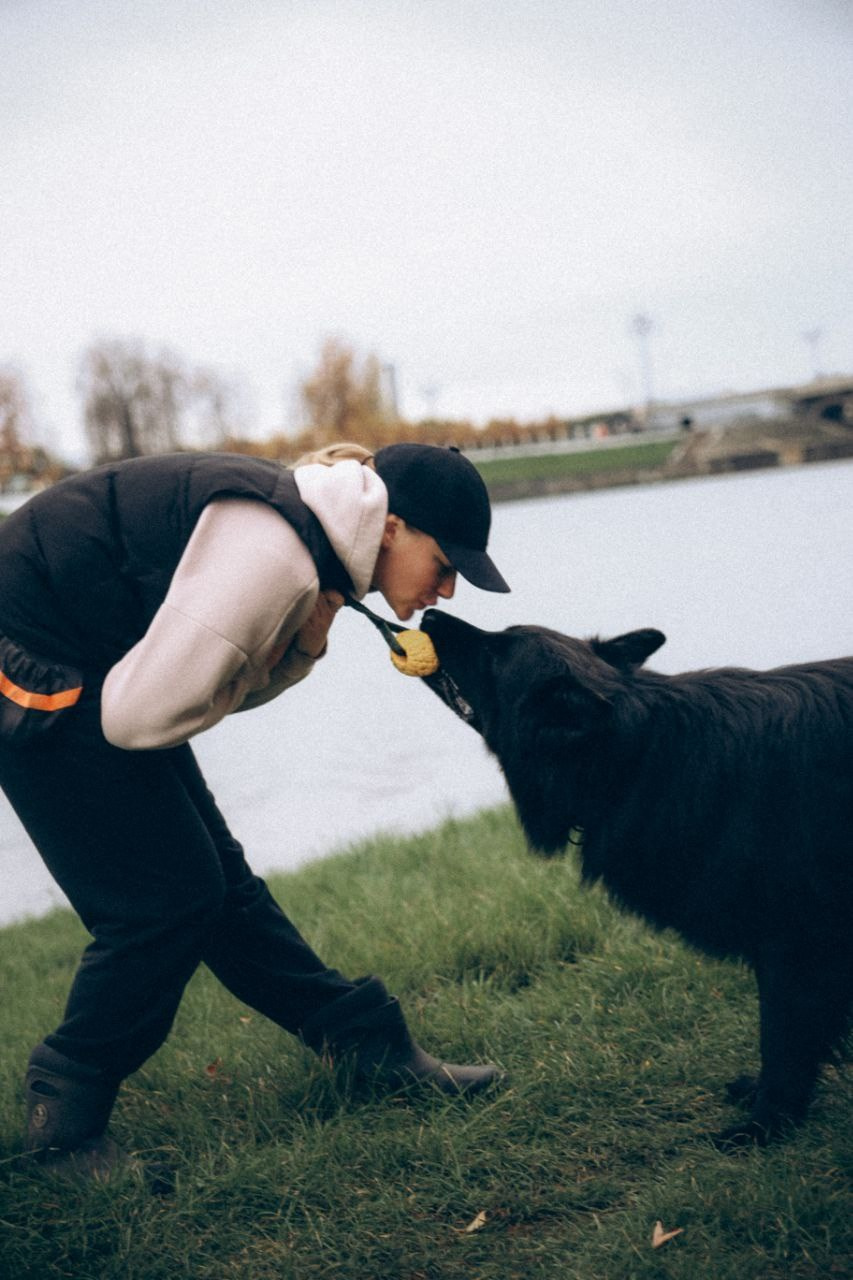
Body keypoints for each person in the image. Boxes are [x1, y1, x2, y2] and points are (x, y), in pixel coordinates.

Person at [0, 441, 510, 1184]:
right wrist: (289, 641)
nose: (450, 590)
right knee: (163, 903)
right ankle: (63, 1119)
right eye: (447, 564)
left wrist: (302, 642)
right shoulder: (278, 557)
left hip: (93, 654)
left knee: (218, 883)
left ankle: (366, 1049)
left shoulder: (311, 541)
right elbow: (138, 721)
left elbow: (189, 691)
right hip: (30, 659)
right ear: (393, 528)